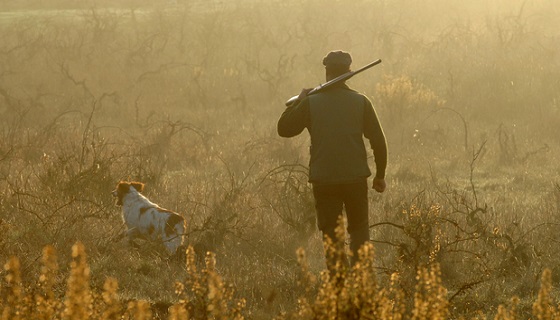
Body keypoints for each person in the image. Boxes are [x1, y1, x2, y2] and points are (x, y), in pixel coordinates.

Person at [277, 50, 387, 266]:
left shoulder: (310, 103)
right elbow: (379, 140)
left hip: (324, 181)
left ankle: (338, 289)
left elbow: (284, 128)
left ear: (327, 72)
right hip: (355, 179)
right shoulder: (361, 101)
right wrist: (380, 176)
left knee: (332, 239)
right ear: (348, 72)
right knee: (359, 234)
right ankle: (361, 285)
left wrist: (300, 100)